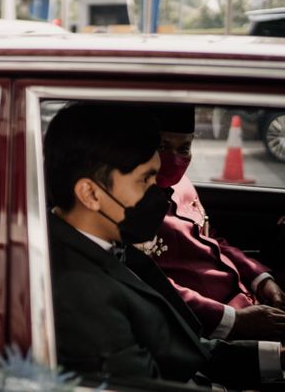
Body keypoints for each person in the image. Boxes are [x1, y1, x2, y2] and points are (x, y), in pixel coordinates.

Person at [44, 103, 283, 388]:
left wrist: (276, 358)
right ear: (90, 193)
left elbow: (184, 350)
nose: (158, 194)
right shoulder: (79, 295)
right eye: (145, 181)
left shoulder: (113, 248)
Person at [150, 105, 285, 341]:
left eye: (184, 149)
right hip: (212, 326)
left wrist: (261, 279)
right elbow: (154, 285)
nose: (174, 159)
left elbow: (212, 239)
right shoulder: (128, 203)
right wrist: (233, 319)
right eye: (162, 147)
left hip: (247, 299)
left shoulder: (183, 185)